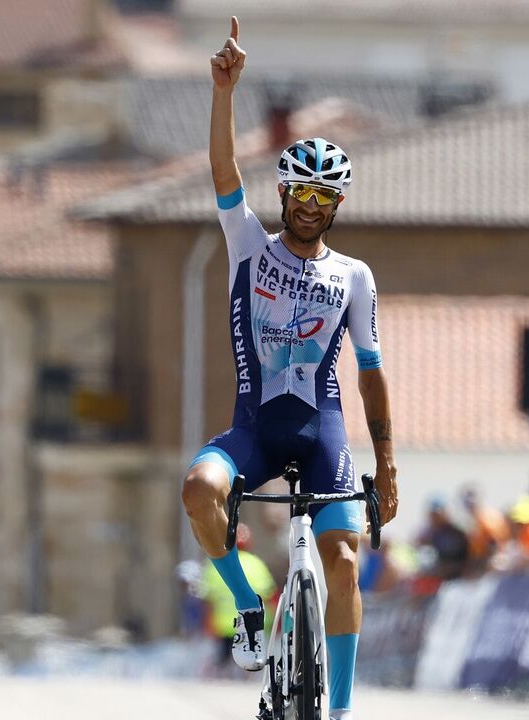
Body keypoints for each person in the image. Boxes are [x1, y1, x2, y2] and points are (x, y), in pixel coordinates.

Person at [179, 18, 399, 720]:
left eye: (321, 198)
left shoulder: (355, 277)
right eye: (298, 195)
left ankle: (338, 711)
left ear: (337, 205)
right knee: (196, 490)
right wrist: (224, 92)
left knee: (342, 560)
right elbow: (221, 175)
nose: (308, 208)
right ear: (283, 196)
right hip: (255, 428)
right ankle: (248, 610)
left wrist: (386, 465)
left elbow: (369, 372)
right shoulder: (248, 246)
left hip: (322, 432)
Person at [199, 524, 276, 674]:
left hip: (221, 625)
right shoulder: (257, 564)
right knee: (248, 663)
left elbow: (207, 598)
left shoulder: (215, 564)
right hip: (252, 623)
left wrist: (206, 621)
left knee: (222, 661)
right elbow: (268, 595)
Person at [461, 485, 512, 574]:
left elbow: (494, 544)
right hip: (481, 559)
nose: (469, 505)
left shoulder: (487, 517)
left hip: (498, 558)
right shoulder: (473, 519)